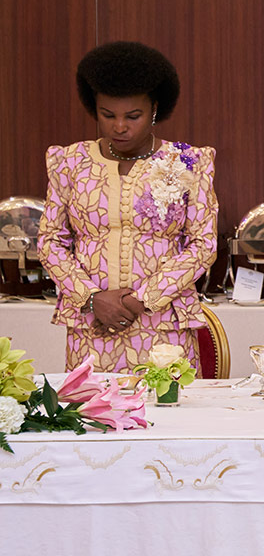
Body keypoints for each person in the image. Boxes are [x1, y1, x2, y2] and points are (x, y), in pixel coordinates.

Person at [40, 41, 217, 371]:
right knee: (92, 417)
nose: (119, 126)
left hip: (164, 323)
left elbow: (203, 245)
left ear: (154, 109)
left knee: (172, 417)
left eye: (132, 116)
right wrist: (93, 298)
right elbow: (51, 242)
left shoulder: (189, 162)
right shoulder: (68, 162)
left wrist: (140, 300)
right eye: (108, 115)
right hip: (91, 325)